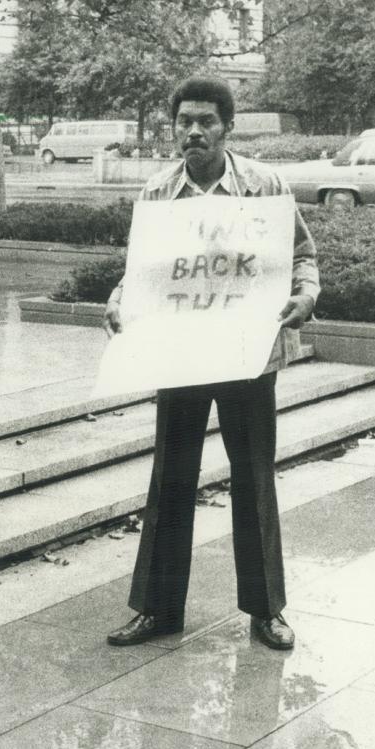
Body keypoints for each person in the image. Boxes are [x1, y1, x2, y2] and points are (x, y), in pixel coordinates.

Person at [103, 76, 320, 652]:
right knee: (172, 475)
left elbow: (301, 254)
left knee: (253, 477)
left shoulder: (264, 185)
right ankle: (158, 608)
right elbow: (142, 269)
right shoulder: (157, 193)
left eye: (206, 121)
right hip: (180, 353)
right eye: (183, 122)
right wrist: (120, 299)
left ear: (227, 127)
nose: (193, 132)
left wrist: (305, 296)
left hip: (248, 352)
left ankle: (266, 610)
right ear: (172, 127)